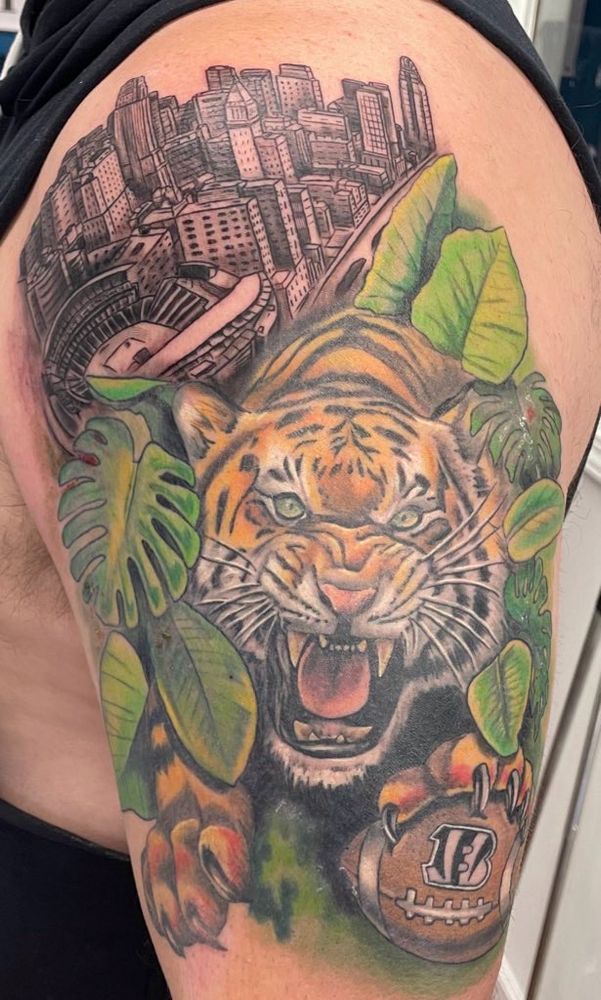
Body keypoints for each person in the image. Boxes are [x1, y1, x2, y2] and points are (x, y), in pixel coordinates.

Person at [0, 1, 599, 997]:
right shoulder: (98, 50)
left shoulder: (282, 52)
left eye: (401, 517)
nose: (347, 574)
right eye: (285, 509)